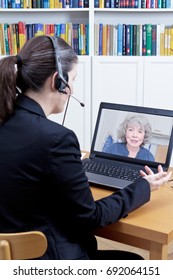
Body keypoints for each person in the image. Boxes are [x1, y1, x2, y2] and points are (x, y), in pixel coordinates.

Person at [0, 35, 171, 260]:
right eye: (72, 79)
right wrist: (143, 187)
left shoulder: (5, 121)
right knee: (135, 262)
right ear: (57, 81)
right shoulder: (57, 139)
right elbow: (91, 217)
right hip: (50, 262)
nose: (72, 88)